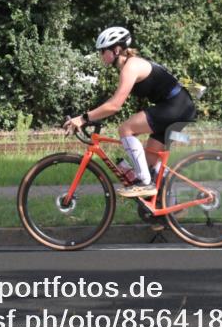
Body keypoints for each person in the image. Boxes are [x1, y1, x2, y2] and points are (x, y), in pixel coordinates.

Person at [62, 26, 196, 198]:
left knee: (125, 128)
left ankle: (144, 184)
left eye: (103, 51)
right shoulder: (130, 66)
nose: (100, 55)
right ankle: (168, 210)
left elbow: (115, 105)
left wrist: (83, 119)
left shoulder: (130, 67)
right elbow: (113, 101)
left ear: (116, 50)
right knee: (151, 164)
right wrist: (92, 117)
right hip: (177, 106)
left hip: (176, 106)